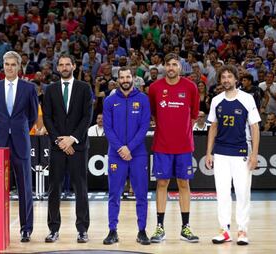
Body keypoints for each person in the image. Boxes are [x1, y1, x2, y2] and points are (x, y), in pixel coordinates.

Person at [206, 65, 261, 246]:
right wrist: (208, 153)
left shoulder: (247, 99)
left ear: (236, 79)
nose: (226, 80)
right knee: (222, 194)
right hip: (221, 153)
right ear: (220, 80)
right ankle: (225, 230)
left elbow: (255, 127)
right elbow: (213, 127)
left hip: (241, 154)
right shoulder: (216, 100)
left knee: (242, 193)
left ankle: (242, 230)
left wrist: (254, 155)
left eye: (230, 76)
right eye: (223, 77)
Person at [148, 53, 200, 243]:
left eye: (174, 64)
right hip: (162, 145)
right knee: (162, 184)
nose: (171, 68)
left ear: (180, 67)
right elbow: (153, 114)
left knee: (184, 184)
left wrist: (181, 130)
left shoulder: (190, 87)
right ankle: (159, 227)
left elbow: (194, 115)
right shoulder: (154, 88)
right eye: (168, 64)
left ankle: (185, 227)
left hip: (184, 145)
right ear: (163, 67)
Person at [0, 51, 38, 242]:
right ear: (3, 66)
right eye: (6, 64)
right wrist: (0, 129)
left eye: (13, 65)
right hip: (0, 141)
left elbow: (33, 116)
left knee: (25, 186)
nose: (9, 67)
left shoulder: (29, 88)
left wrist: (19, 128)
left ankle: (26, 228)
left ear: (19, 67)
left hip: (21, 141)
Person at [43, 54, 93, 243]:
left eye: (67, 64)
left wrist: (71, 139)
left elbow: (87, 116)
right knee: (54, 188)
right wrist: (60, 141)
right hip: (57, 148)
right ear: (57, 68)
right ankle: (53, 229)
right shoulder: (50, 90)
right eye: (61, 65)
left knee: (80, 188)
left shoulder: (84, 88)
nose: (64, 67)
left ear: (73, 66)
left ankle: (82, 229)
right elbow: (47, 118)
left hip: (78, 147)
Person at [102, 67, 151, 245]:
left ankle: (142, 231)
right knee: (114, 194)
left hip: (138, 154)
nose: (125, 79)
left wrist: (129, 148)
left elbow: (144, 127)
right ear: (117, 79)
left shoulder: (143, 99)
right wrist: (121, 149)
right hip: (116, 154)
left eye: (128, 76)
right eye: (121, 77)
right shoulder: (109, 101)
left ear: (133, 78)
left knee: (141, 195)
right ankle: (112, 230)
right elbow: (108, 128)